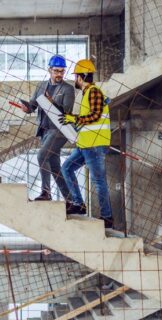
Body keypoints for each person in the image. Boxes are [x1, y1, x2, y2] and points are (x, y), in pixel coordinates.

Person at [60, 59, 114, 229]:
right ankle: (79, 204)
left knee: (99, 181)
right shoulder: (86, 94)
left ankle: (107, 217)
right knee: (67, 168)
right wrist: (73, 123)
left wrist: (74, 119)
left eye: (76, 76)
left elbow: (95, 115)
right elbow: (86, 120)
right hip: (85, 145)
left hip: (95, 145)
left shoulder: (93, 92)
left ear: (82, 76)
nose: (75, 79)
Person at [21, 54, 75, 201]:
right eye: (56, 71)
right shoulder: (41, 86)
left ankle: (46, 192)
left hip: (59, 130)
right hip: (44, 130)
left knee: (41, 156)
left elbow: (67, 112)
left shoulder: (68, 89)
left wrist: (52, 102)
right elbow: (33, 104)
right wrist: (27, 108)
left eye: (62, 71)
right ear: (49, 70)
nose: (59, 74)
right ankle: (70, 200)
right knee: (55, 167)